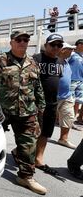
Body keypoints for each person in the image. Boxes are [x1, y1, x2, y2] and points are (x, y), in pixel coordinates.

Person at [0, 30, 47, 195]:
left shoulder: (33, 63)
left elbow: (37, 86)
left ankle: (26, 177)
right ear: (11, 42)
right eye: (19, 40)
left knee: (29, 143)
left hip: (27, 111)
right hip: (2, 110)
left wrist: (41, 105)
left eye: (26, 40)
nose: (23, 42)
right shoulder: (0, 60)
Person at [32, 34, 64, 176]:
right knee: (32, 132)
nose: (56, 47)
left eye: (59, 45)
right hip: (35, 102)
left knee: (46, 132)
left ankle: (39, 158)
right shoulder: (35, 59)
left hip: (52, 103)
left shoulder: (61, 61)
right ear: (46, 45)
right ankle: (21, 153)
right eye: (53, 44)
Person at [56, 42, 77, 150]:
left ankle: (63, 139)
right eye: (70, 49)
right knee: (42, 122)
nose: (72, 51)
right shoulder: (53, 62)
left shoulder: (66, 61)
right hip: (54, 97)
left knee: (69, 116)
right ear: (62, 50)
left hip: (66, 96)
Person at [68, 39, 83, 129]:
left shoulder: (82, 56)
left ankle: (72, 120)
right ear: (78, 45)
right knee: (69, 101)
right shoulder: (71, 54)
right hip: (71, 80)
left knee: (78, 101)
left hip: (81, 81)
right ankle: (62, 119)